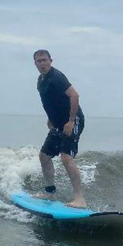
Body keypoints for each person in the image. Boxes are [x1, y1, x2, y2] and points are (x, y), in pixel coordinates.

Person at [33, 49, 87, 208]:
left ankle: (80, 199)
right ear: (35, 63)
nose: (42, 63)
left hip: (72, 120)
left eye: (45, 60)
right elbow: (51, 100)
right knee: (44, 156)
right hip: (57, 123)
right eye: (39, 61)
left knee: (66, 157)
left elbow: (74, 95)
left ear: (51, 60)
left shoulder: (57, 77)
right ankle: (49, 192)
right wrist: (50, 118)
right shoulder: (40, 80)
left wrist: (70, 121)